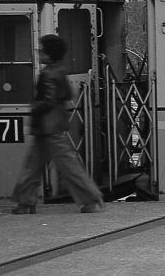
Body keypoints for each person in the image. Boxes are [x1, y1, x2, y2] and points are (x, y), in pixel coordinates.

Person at [11, 34, 106, 214]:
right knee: (67, 165)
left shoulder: (47, 74)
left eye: (42, 50)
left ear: (49, 54)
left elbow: (48, 100)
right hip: (54, 126)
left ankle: (26, 203)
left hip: (46, 127)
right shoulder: (60, 71)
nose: (39, 53)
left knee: (35, 166)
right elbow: (67, 95)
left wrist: (34, 106)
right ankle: (89, 200)